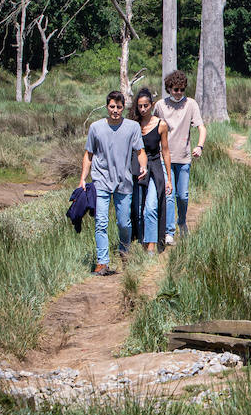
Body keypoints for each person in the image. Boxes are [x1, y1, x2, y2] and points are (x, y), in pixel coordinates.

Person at [80, 90, 147, 275]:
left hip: (124, 182)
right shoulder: (96, 127)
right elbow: (89, 155)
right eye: (112, 107)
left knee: (124, 223)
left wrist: (143, 167)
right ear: (106, 107)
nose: (115, 111)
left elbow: (140, 152)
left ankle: (125, 252)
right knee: (101, 222)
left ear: (123, 107)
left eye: (118, 107)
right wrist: (82, 180)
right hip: (100, 180)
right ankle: (102, 262)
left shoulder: (132, 127)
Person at [156, 70, 206, 245]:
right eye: (175, 89)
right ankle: (169, 231)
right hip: (165, 158)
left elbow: (201, 127)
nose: (178, 93)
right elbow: (151, 127)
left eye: (182, 89)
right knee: (169, 194)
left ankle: (182, 222)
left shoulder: (191, 104)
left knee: (182, 195)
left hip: (184, 158)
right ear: (169, 88)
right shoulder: (160, 106)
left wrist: (199, 146)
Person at [128, 87, 172, 254]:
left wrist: (169, 178)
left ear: (152, 105)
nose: (143, 109)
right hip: (136, 168)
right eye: (140, 106)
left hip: (154, 168)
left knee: (151, 207)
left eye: (146, 105)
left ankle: (152, 245)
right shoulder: (134, 125)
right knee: (137, 209)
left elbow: (166, 151)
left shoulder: (161, 125)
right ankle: (140, 242)